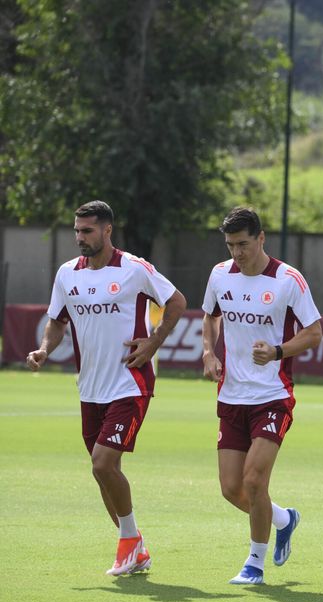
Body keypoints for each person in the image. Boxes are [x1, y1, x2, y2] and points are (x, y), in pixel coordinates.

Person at [26, 200, 187, 575]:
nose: (80, 237)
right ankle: (135, 547)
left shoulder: (134, 269)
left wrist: (154, 342)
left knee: (103, 462)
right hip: (90, 389)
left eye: (88, 231)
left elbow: (177, 301)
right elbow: (56, 321)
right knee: (101, 472)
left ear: (107, 230)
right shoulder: (68, 274)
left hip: (130, 383)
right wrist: (45, 349)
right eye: (77, 231)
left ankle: (129, 545)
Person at [201, 207, 323, 585]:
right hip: (231, 396)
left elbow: (315, 332)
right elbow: (210, 316)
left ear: (261, 238)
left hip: (273, 396)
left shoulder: (288, 279)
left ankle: (255, 564)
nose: (237, 253)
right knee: (230, 488)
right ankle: (284, 519)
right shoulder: (220, 275)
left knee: (254, 481)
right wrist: (209, 352)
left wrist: (277, 351)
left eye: (243, 244)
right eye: (230, 245)